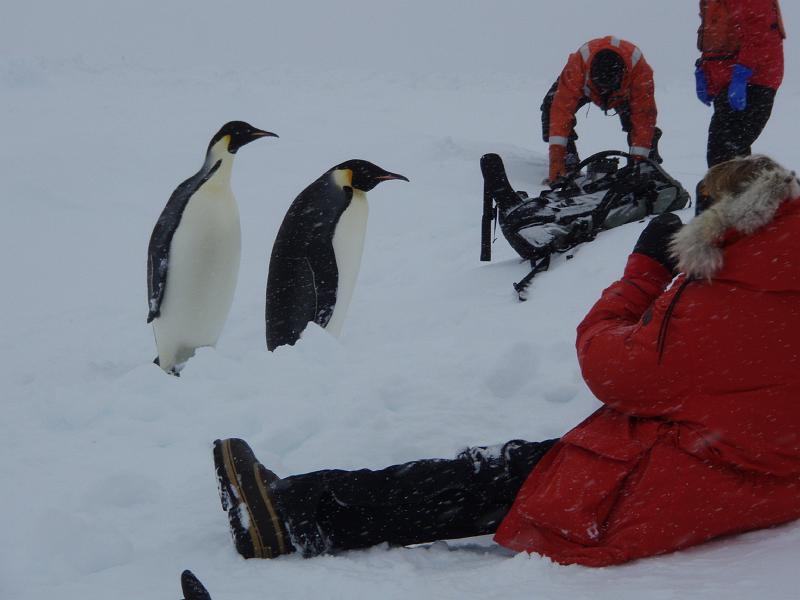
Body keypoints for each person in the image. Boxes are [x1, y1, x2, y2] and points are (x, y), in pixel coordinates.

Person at [213, 155, 800, 567]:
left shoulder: (724, 300)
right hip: (755, 472)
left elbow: (610, 368)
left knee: (494, 477)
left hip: (686, 481)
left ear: (724, 218)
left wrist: (645, 272)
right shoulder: (775, 277)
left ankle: (288, 515)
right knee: (532, 464)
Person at [541, 36, 661, 185]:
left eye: (608, 90)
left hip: (623, 94)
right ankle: (568, 162)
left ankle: (647, 164)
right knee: (550, 106)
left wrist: (637, 168)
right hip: (586, 87)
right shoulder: (577, 67)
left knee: (640, 126)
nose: (604, 95)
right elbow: (560, 113)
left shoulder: (640, 72)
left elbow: (644, 118)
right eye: (601, 89)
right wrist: (557, 161)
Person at [695, 1, 785, 170]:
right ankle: (744, 194)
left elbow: (760, 32)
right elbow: (717, 35)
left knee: (725, 157)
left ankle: (737, 194)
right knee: (727, 157)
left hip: (754, 81)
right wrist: (705, 71)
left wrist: (743, 73)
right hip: (730, 83)